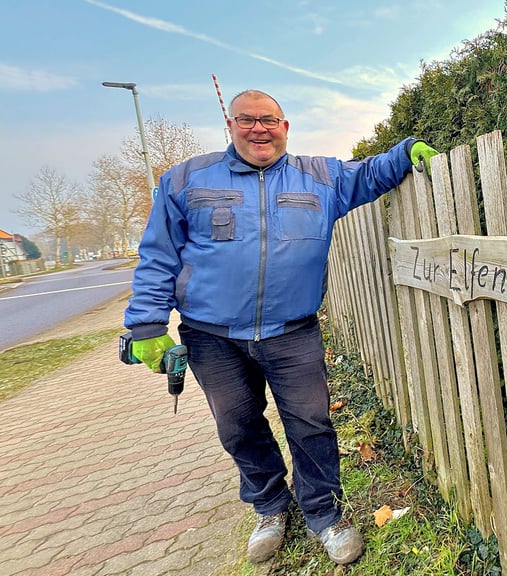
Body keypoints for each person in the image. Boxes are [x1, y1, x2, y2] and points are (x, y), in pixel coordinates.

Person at [123, 89, 437, 566]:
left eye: (268, 120)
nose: (258, 129)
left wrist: (406, 150)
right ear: (230, 125)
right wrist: (146, 324)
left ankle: (324, 513)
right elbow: (158, 255)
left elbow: (369, 174)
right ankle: (270, 508)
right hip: (212, 335)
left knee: (311, 423)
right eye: (247, 120)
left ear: (285, 127)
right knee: (237, 426)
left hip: (293, 330)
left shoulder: (319, 177)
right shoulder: (186, 180)